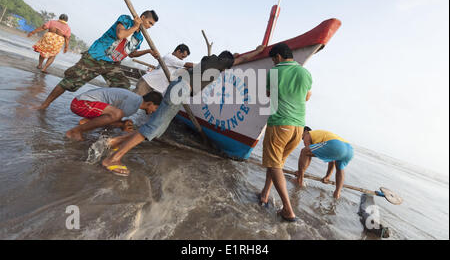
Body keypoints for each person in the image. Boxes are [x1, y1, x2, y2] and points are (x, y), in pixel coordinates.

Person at [101, 44, 266, 176]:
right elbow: (243, 59)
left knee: (158, 126)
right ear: (227, 62)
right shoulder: (221, 63)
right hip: (181, 90)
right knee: (154, 127)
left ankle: (115, 143)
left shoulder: (209, 60)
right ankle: (113, 158)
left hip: (177, 86)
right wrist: (258, 51)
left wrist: (232, 57)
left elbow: (233, 58)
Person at [35, 11, 160, 110]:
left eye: (152, 25)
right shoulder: (126, 20)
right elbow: (120, 35)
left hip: (112, 63)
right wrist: (135, 26)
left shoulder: (139, 37)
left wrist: (148, 51)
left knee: (122, 87)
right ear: (142, 17)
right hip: (96, 56)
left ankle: (106, 114)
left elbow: (132, 53)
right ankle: (44, 105)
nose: (149, 26)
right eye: (149, 22)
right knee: (70, 82)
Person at [258, 43, 312, 223]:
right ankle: (265, 194)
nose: (273, 63)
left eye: (274, 59)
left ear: (278, 57)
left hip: (280, 123)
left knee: (274, 164)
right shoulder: (305, 73)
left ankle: (288, 210)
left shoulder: (274, 72)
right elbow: (307, 96)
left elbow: (268, 94)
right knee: (277, 163)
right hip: (298, 127)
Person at [66, 88, 163, 141]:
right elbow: (113, 118)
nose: (155, 111)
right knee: (117, 114)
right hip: (80, 103)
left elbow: (109, 119)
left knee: (117, 116)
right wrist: (122, 125)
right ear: (149, 103)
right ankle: (75, 131)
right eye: (156, 108)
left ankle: (85, 122)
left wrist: (121, 124)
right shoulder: (133, 104)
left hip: (82, 103)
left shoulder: (135, 100)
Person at [295, 127, 354, 199]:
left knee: (304, 151)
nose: (303, 139)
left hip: (336, 144)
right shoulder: (322, 137)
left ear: (306, 131)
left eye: (302, 137)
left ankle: (299, 179)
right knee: (340, 168)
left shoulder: (308, 134)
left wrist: (301, 172)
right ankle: (337, 193)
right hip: (349, 150)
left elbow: (307, 153)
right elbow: (331, 160)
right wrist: (327, 176)